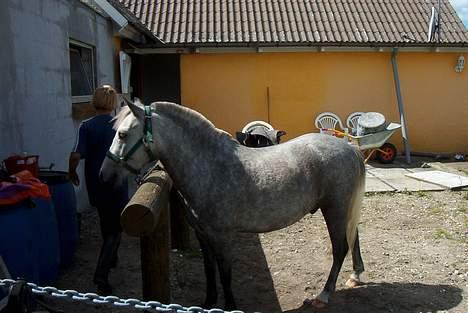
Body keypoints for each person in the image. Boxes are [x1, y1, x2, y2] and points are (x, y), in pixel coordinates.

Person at [68, 85, 128, 295]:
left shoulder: (86, 126)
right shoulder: (120, 126)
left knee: (106, 220)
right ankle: (101, 276)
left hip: (95, 183)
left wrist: (71, 172)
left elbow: (76, 155)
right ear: (113, 103)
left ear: (94, 101)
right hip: (117, 182)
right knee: (116, 229)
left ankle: (111, 258)